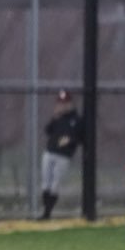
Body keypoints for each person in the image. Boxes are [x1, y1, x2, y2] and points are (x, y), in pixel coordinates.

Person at [37, 89, 83, 220]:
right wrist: (54, 117)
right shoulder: (58, 117)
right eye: (60, 102)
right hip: (50, 152)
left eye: (65, 102)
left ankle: (47, 213)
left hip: (63, 155)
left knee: (55, 184)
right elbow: (48, 130)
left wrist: (70, 140)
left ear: (70, 103)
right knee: (46, 183)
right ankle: (45, 213)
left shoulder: (76, 119)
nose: (62, 105)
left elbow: (80, 137)